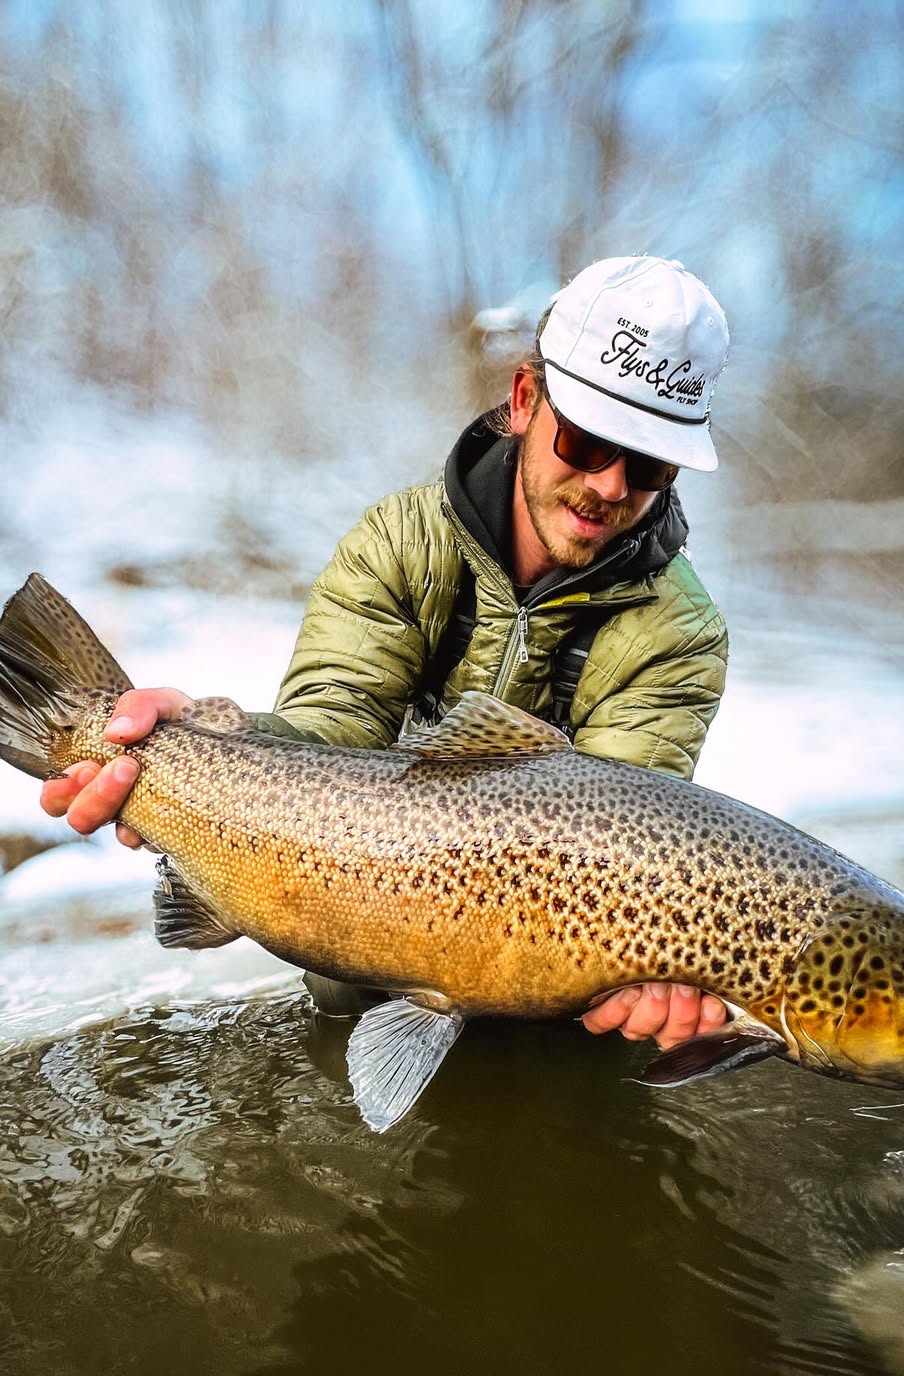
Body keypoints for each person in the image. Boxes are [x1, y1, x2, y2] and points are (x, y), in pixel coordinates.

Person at [41, 254, 731, 1051]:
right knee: (338, 992)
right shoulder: (400, 543)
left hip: (550, 975)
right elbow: (332, 729)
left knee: (589, 1035)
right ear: (524, 400)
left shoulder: (680, 631)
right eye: (583, 443)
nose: (610, 486)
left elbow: (625, 847)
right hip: (358, 916)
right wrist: (197, 742)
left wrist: (662, 974)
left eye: (647, 464)